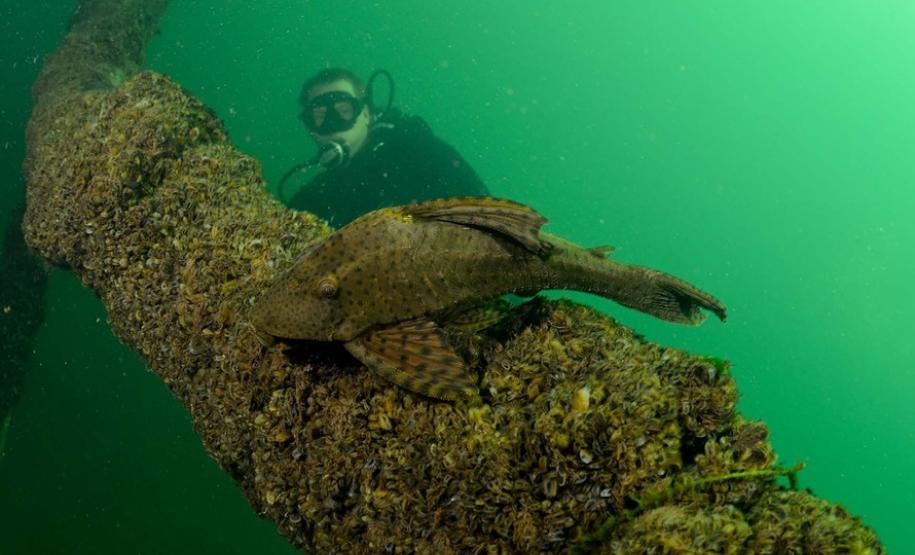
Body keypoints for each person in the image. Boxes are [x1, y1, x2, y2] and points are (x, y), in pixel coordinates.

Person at [284, 68, 489, 226]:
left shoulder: (423, 155)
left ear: (366, 114)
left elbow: (484, 217)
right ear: (309, 128)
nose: (333, 122)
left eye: (344, 111)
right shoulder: (310, 202)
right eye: (320, 115)